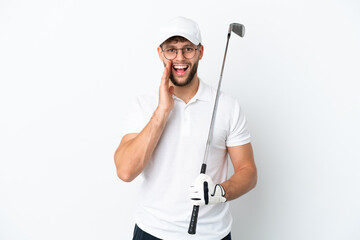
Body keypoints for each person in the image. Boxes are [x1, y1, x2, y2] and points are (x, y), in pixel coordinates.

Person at [114, 16, 257, 240]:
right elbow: (125, 171)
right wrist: (162, 111)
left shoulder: (228, 106)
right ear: (160, 54)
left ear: (200, 52)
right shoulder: (143, 105)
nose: (180, 58)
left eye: (188, 49)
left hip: (212, 235)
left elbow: (248, 172)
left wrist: (220, 192)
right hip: (152, 232)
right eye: (171, 50)